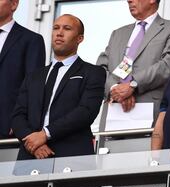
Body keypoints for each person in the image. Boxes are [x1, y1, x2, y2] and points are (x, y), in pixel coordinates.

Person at [11, 14, 106, 160]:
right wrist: (34, 142)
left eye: (67, 28)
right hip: (31, 155)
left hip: (72, 155)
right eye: (56, 28)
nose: (59, 33)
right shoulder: (33, 76)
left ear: (80, 38)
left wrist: (45, 134)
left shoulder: (93, 72)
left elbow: (86, 112)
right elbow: (18, 115)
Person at [97, 0, 170, 121]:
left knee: (144, 141)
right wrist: (115, 88)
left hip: (149, 110)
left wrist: (133, 85)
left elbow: (169, 65)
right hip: (113, 110)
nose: (129, 0)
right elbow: (100, 68)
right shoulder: (118, 33)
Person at [0, 0, 45, 139]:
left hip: (6, 127)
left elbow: (33, 87)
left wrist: (20, 123)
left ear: (14, 4)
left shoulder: (31, 40)